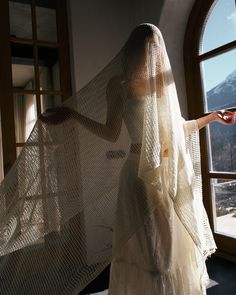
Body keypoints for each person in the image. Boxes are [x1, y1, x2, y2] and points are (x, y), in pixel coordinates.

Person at [0, 24, 234, 295]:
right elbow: (111, 133)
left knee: (169, 251)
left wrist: (214, 117)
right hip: (137, 176)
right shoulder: (119, 85)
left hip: (164, 179)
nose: (154, 52)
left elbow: (179, 127)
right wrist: (75, 116)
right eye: (148, 47)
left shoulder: (161, 84)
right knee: (149, 252)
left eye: (156, 47)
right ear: (135, 50)